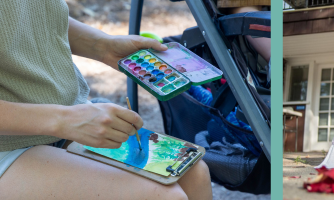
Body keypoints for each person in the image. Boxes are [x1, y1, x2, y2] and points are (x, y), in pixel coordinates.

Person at [0, 1, 211, 199]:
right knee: (162, 196)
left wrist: (102, 46)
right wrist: (64, 119)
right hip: (10, 143)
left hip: (63, 120)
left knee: (195, 174)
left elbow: (29, 15)